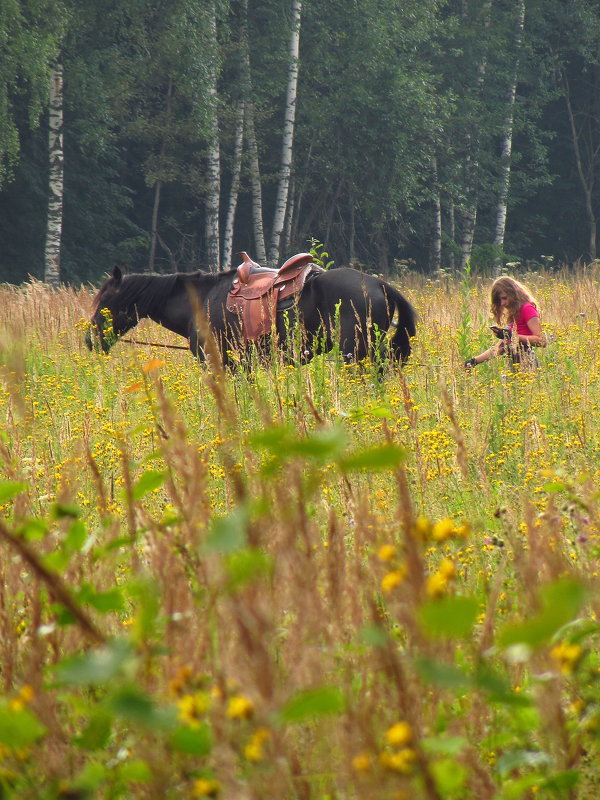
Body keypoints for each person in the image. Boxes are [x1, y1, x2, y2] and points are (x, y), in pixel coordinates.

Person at [464, 276, 546, 369]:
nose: (502, 303)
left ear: (513, 294)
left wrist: (512, 336)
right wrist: (473, 362)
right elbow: (499, 348)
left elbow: (541, 341)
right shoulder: (513, 314)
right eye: (499, 300)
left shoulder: (527, 309)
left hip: (528, 363)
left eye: (504, 298)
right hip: (513, 364)